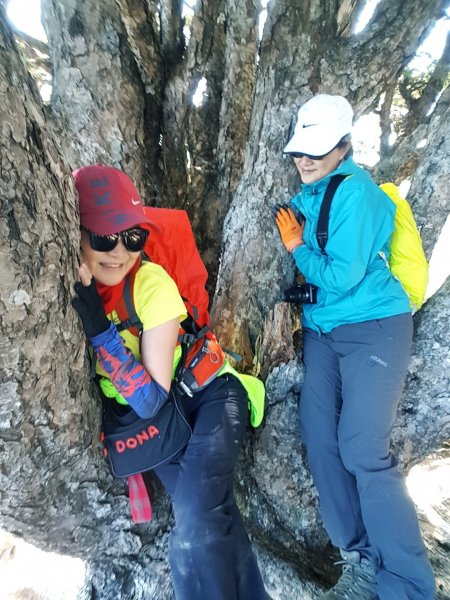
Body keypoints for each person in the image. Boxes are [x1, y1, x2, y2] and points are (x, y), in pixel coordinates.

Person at [71, 164, 266, 600]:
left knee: (196, 518)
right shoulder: (70, 287)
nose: (120, 252)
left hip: (209, 396)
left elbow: (150, 398)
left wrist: (99, 328)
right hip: (163, 429)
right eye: (103, 238)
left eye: (133, 237)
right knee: (213, 515)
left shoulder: (151, 283)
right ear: (76, 233)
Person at [275, 94, 435, 600]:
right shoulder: (312, 190)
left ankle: (409, 584)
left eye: (316, 151)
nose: (304, 160)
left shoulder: (358, 193)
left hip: (374, 326)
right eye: (300, 150)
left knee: (363, 448)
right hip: (323, 333)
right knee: (321, 442)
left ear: (345, 146)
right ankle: (359, 561)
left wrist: (297, 248)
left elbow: (342, 276)